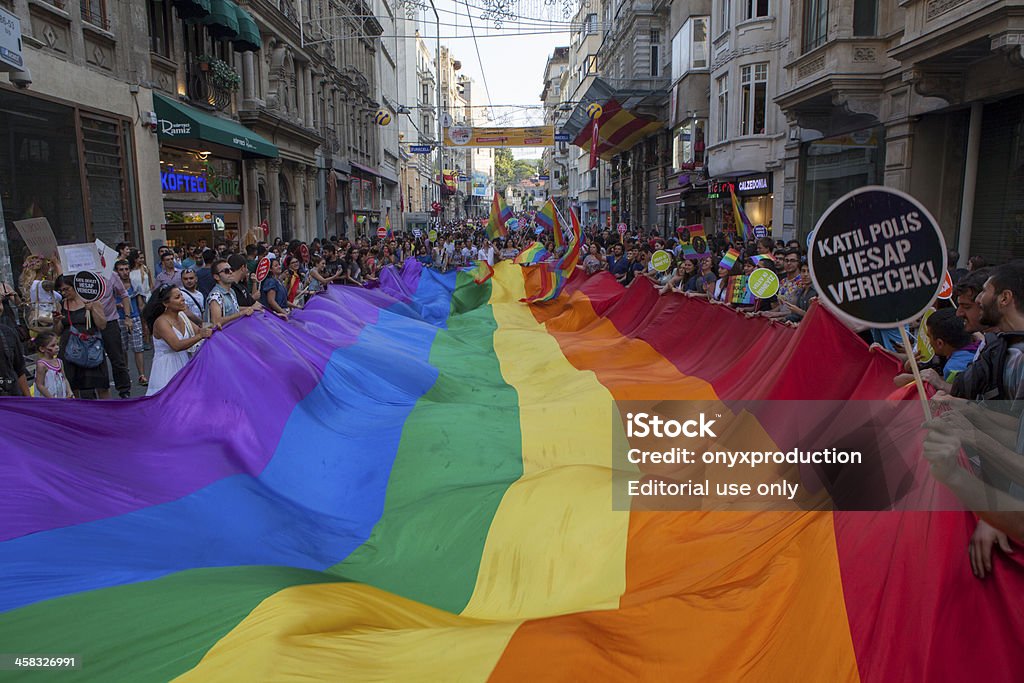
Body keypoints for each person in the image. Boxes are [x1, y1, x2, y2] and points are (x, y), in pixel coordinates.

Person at [142, 285, 212, 396]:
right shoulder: (161, 322)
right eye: (177, 297)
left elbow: (199, 330)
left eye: (181, 296)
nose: (183, 299)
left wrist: (215, 326)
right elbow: (176, 345)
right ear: (166, 304)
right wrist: (201, 336)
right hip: (166, 368)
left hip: (183, 363)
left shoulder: (182, 316)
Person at [55, 276, 110, 399]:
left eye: (66, 289)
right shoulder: (61, 304)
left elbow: (102, 324)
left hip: (90, 346)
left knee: (100, 383)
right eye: (61, 290)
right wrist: (56, 321)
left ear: (75, 287)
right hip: (69, 348)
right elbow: (58, 331)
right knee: (72, 384)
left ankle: (106, 412)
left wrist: (92, 310)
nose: (64, 293)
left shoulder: (92, 301)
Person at [114, 259, 148, 387]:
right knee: (123, 348)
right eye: (121, 270)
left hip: (134, 318)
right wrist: (118, 305)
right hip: (119, 318)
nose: (124, 272)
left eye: (126, 269)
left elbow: (140, 304)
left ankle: (142, 375)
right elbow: (110, 302)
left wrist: (144, 323)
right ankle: (126, 374)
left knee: (138, 348)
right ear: (117, 272)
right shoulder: (114, 285)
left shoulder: (135, 284)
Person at [208, 259, 256, 327]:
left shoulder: (231, 291)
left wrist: (249, 308)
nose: (230, 272)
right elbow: (216, 322)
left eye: (231, 269)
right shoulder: (215, 296)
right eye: (226, 271)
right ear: (216, 277)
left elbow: (234, 308)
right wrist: (241, 313)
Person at [32, 331, 72, 398]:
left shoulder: (59, 362)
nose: (57, 347)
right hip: (47, 400)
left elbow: (64, 379)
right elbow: (39, 385)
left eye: (57, 344)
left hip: (61, 398)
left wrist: (69, 391)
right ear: (42, 349)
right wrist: (51, 398)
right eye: (53, 345)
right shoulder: (42, 365)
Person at [0, 317, 29, 396]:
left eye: (0, 304)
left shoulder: (8, 332)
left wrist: (29, 400)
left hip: (10, 396)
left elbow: (19, 369)